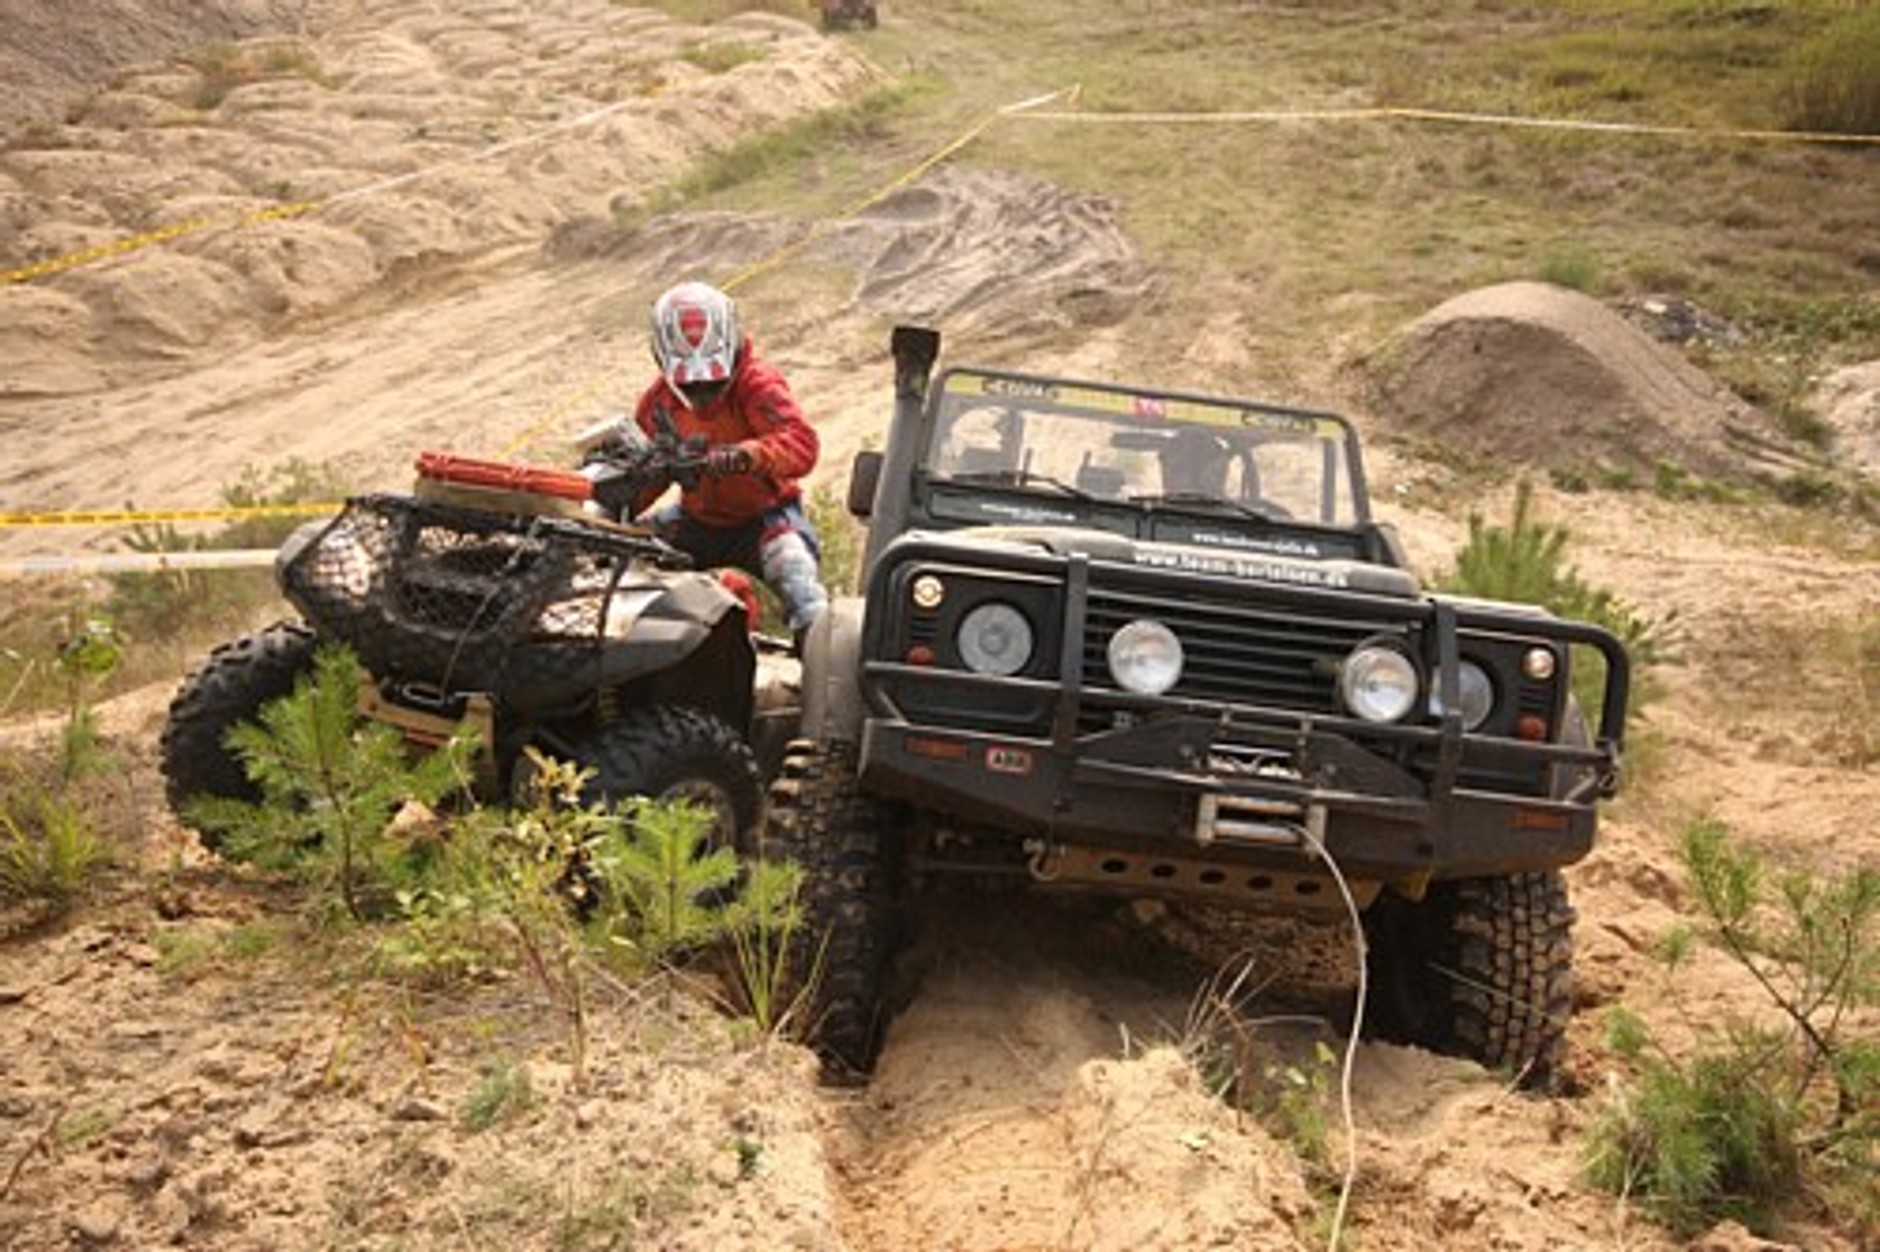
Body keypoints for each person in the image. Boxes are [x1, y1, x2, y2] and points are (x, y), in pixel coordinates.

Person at [585, 281, 828, 635]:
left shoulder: (758, 383)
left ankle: (821, 669)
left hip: (766, 518)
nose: (701, 396)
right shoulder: (658, 402)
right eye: (691, 387)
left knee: (797, 578)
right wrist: (613, 507)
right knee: (623, 559)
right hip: (696, 519)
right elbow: (640, 469)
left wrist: (749, 455)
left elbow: (802, 445)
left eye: (713, 384)